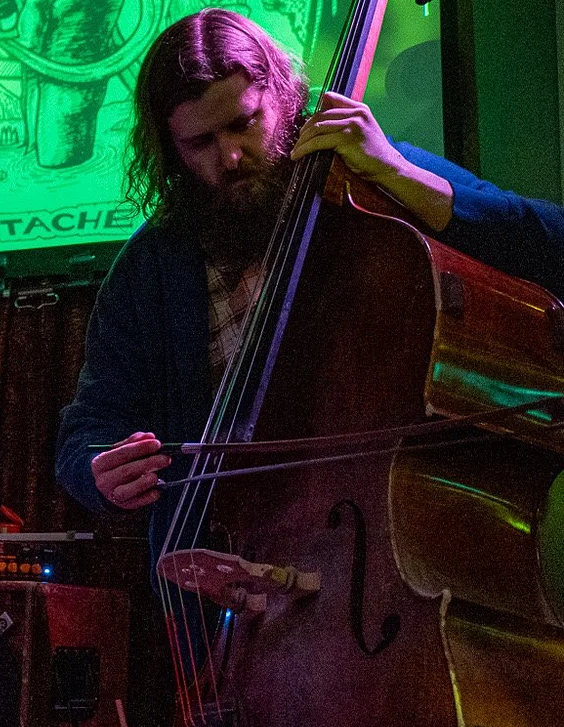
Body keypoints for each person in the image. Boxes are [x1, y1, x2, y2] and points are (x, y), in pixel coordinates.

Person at [54, 8, 564, 537]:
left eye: (244, 123)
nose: (230, 156)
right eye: (200, 144)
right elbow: (87, 430)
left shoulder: (370, 180)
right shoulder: (148, 269)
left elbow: (550, 247)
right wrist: (98, 472)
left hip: (388, 525)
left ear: (281, 95)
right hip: (221, 554)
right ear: (169, 150)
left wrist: (397, 170)